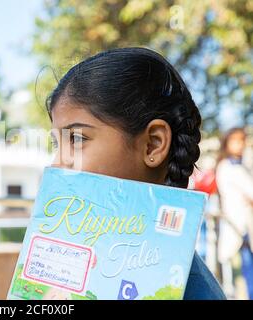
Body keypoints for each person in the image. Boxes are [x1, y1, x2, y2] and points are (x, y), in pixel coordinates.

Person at [46, 47, 226, 299]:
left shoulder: (189, 289)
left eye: (77, 138)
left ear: (153, 143)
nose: (57, 163)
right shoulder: (91, 265)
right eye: (56, 143)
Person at [216, 127, 253, 299]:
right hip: (236, 227)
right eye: (235, 141)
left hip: (247, 228)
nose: (240, 145)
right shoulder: (226, 167)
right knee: (239, 277)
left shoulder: (244, 166)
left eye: (242, 140)